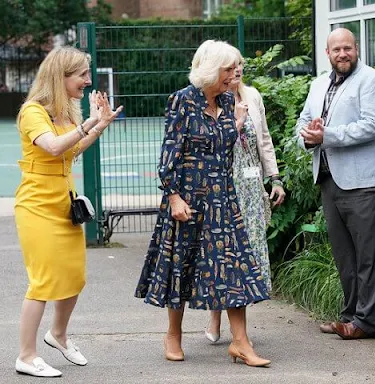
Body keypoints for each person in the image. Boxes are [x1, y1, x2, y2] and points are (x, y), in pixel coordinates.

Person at [134, 40, 270, 367]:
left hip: (223, 196)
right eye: (227, 69)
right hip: (188, 197)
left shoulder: (226, 100)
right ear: (210, 69)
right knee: (182, 264)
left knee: (234, 266)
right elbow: (169, 155)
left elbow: (225, 147)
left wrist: (235, 123)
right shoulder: (182, 101)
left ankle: (241, 342)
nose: (233, 75)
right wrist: (174, 196)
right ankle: (173, 335)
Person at [14, 46, 122, 377]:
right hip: (36, 206)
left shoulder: (66, 114)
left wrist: (98, 125)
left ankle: (57, 335)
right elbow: (52, 147)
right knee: (43, 281)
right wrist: (87, 123)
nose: (88, 82)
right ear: (61, 77)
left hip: (64, 202)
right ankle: (26, 356)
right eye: (82, 76)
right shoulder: (33, 112)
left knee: (74, 276)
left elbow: (71, 151)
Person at [295, 28, 375, 339]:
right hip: (329, 179)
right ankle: (349, 315)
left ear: (357, 48)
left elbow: (374, 125)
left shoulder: (371, 80)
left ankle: (365, 322)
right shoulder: (319, 83)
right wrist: (308, 137)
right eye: (336, 50)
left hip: (365, 183)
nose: (342, 54)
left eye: (347, 48)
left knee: (368, 257)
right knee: (344, 256)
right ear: (327, 53)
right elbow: (303, 121)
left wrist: (328, 136)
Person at [204, 47, 286, 344]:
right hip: (224, 183)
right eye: (231, 65)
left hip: (251, 185)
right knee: (224, 251)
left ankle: (238, 326)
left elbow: (264, 139)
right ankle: (217, 316)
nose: (237, 70)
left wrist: (274, 178)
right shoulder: (212, 98)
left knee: (248, 252)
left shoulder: (253, 96)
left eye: (240, 64)